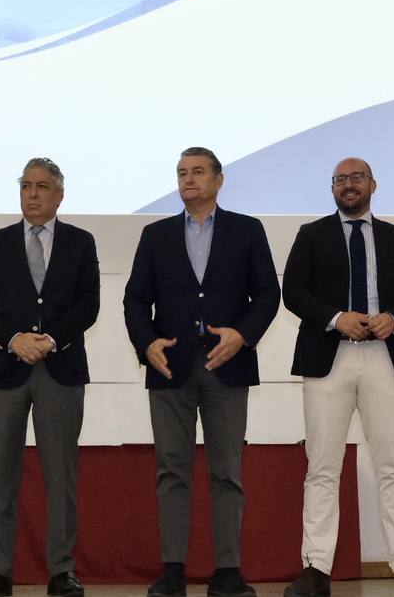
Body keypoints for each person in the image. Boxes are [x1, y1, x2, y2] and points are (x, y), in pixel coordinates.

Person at [122, 148, 281, 597]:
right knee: (171, 470)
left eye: (197, 172)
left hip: (226, 365)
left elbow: (268, 293)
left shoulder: (247, 230)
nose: (188, 179)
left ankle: (227, 570)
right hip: (170, 366)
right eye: (181, 173)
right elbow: (135, 299)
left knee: (226, 471)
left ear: (219, 179)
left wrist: (243, 334)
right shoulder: (155, 235)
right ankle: (172, 568)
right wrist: (146, 341)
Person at [282, 158, 394, 597]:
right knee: (322, 467)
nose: (349, 185)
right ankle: (316, 568)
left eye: (357, 178)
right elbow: (293, 290)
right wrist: (334, 318)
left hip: (385, 357)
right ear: (332, 188)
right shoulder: (311, 235)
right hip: (327, 360)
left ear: (373, 185)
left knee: (393, 465)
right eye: (341, 179)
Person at [0, 159, 102, 597]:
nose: (32, 194)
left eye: (42, 186)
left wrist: (51, 340)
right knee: (1, 474)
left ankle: (62, 570)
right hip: (5, 369)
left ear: (59, 194)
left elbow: (88, 304)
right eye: (25, 185)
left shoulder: (81, 242)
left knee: (60, 474)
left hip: (59, 369)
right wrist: (14, 339)